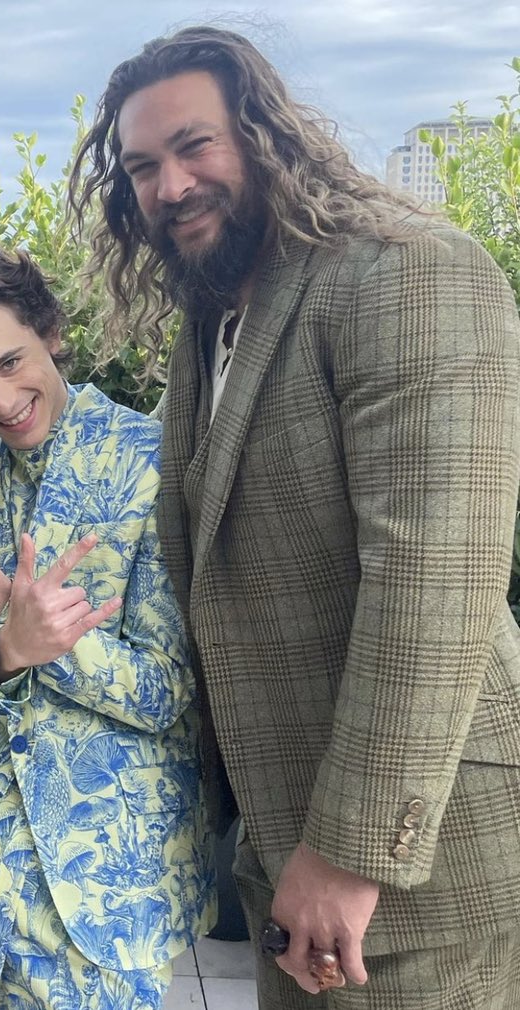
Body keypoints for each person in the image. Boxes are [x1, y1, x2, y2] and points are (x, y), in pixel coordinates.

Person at [68, 25, 520, 1010]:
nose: (170, 185)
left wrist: (350, 851)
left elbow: (435, 582)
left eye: (195, 146)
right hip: (287, 862)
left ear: (266, 133)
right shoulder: (217, 321)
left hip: (418, 872)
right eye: (142, 167)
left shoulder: (404, 272)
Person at [0, 238, 215, 1010]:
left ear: (51, 331)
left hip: (98, 884)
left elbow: (168, 692)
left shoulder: (153, 463)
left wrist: (9, 609)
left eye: (9, 362)